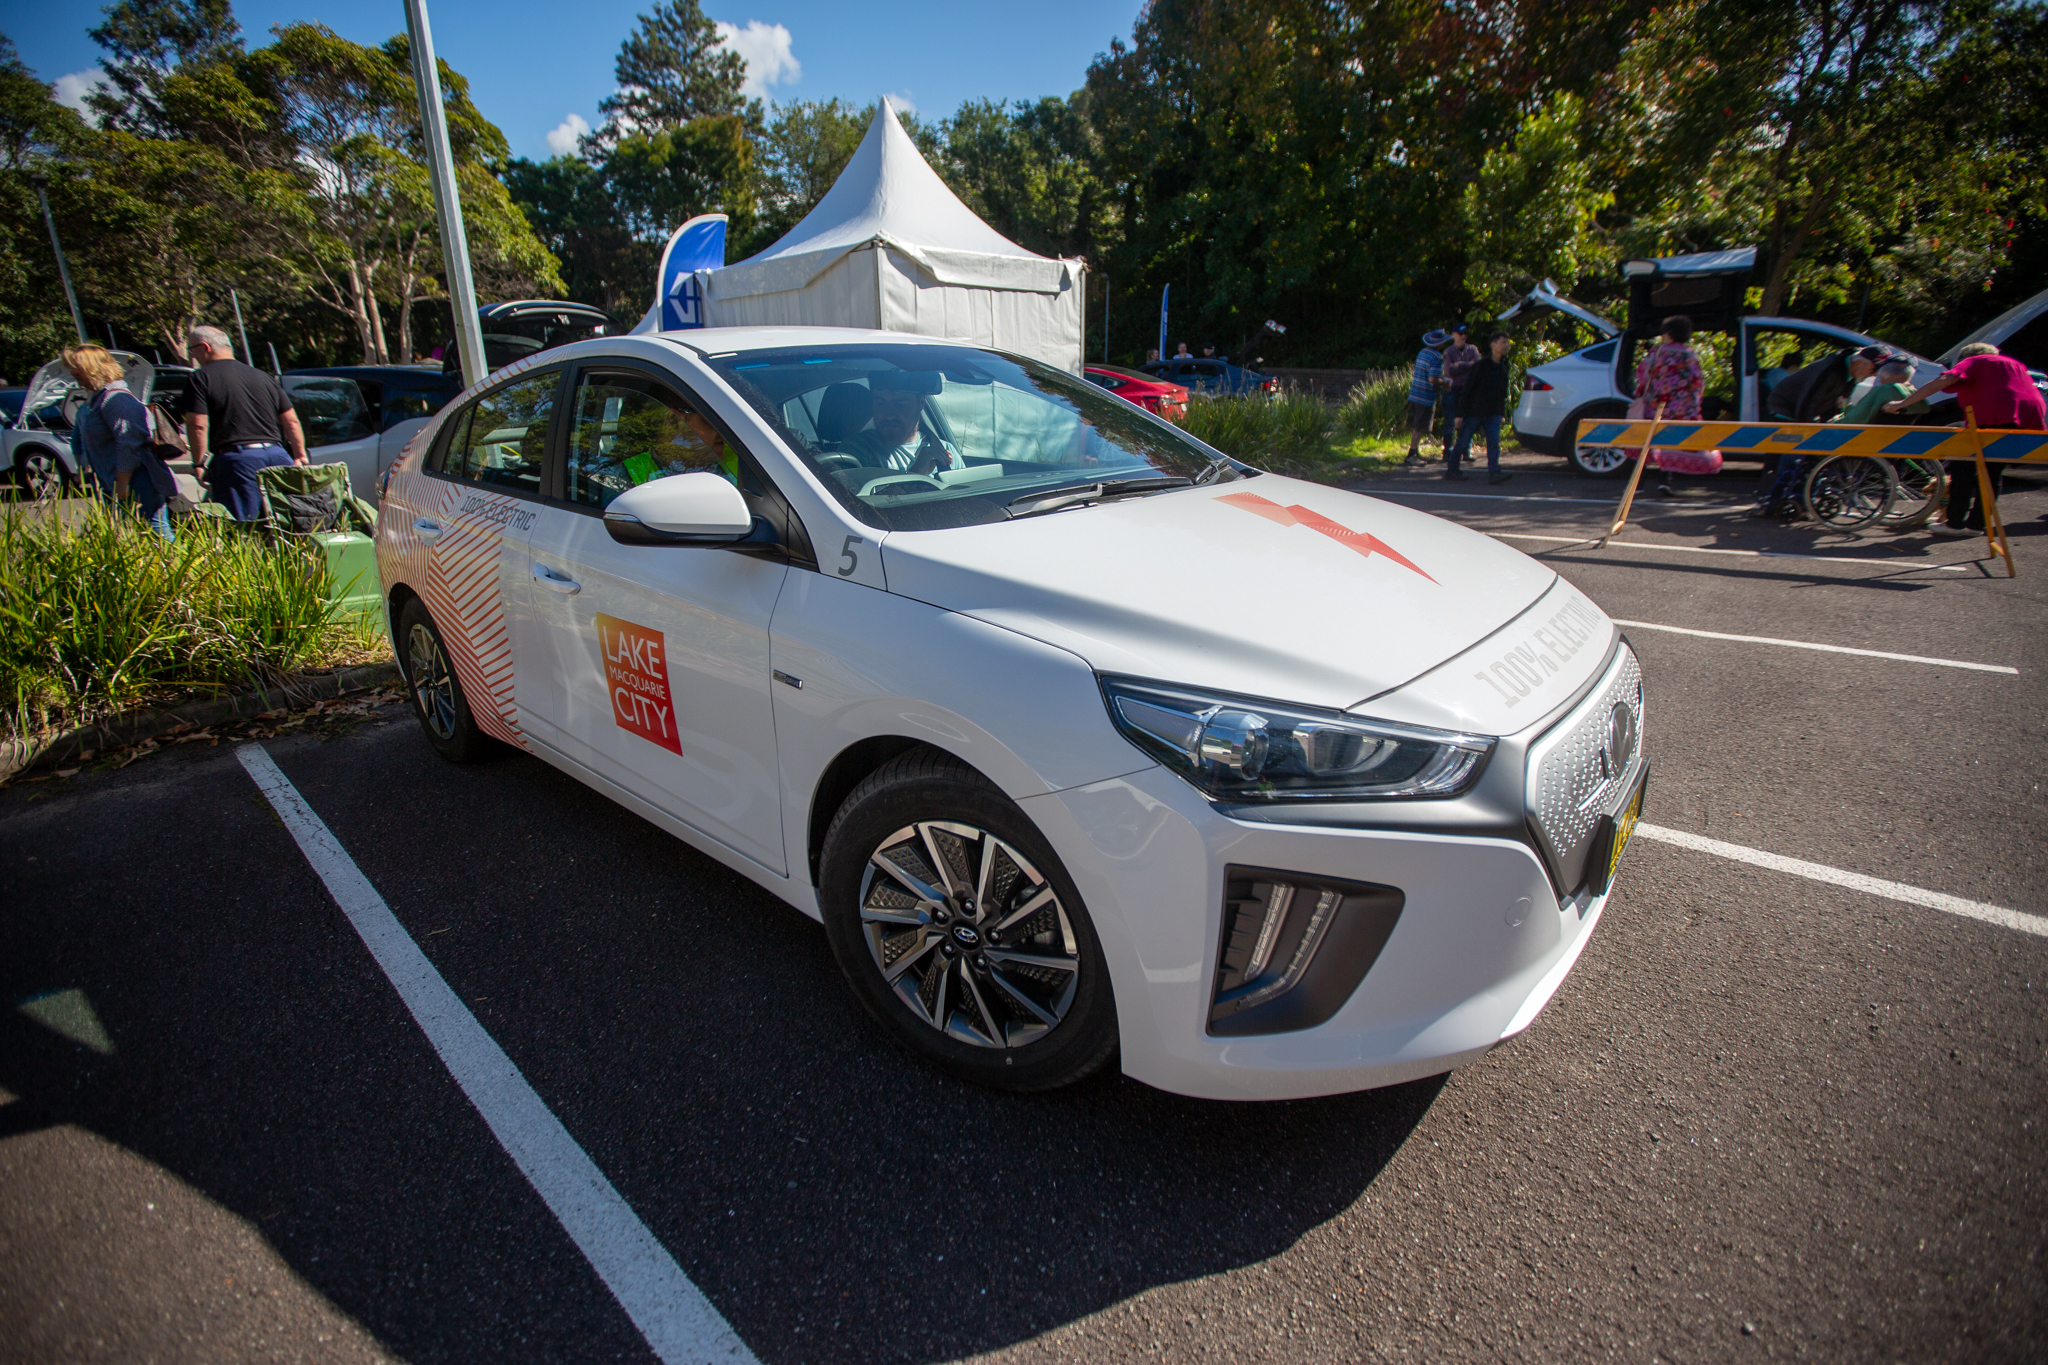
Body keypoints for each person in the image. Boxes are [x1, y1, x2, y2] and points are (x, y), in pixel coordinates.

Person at [1885, 342, 2047, 536]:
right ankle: (1977, 524)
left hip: (1994, 415)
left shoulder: (1975, 360)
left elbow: (1945, 380)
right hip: (2024, 417)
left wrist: (1902, 403)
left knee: (1963, 467)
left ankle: (1954, 523)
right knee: (1992, 473)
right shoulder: (2013, 364)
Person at [181, 324, 308, 521]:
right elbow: (291, 420)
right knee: (289, 523)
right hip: (278, 456)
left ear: (205, 347)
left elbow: (197, 424)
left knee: (244, 529)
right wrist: (299, 455)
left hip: (238, 462)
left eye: (192, 350)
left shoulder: (200, 378)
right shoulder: (263, 376)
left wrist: (199, 463)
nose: (193, 356)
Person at [63, 343, 176, 539]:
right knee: (130, 535)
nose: (73, 373)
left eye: (77, 368)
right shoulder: (94, 402)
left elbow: (129, 442)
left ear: (94, 368)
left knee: (155, 531)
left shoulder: (117, 400)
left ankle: (173, 567)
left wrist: (122, 483)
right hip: (114, 481)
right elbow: (80, 440)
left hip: (135, 479)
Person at [1633, 315, 1707, 497]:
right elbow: (1698, 381)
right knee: (1670, 442)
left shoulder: (1658, 352)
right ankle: (1665, 481)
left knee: (1648, 441)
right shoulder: (1689, 354)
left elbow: (1643, 374)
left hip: (1656, 402)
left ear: (1668, 333)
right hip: (1681, 407)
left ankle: (1638, 483)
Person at [846, 374, 961, 473]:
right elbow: (858, 499)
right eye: (880, 403)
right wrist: (917, 473)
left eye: (900, 404)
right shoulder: (857, 450)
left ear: (921, 403)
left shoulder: (944, 451)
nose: (889, 414)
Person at [1449, 331, 1514, 483]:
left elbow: (1503, 389)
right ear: (1493, 344)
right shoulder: (1481, 365)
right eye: (1503, 342)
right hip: (1475, 411)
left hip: (1493, 411)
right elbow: (1468, 389)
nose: (1506, 346)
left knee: (1493, 442)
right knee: (1463, 441)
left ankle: (1494, 472)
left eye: (1507, 342)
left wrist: (1501, 410)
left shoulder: (1505, 364)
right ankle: (1452, 469)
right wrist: (1460, 414)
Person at [1767, 344, 1884, 422]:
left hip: (1803, 409)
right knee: (1786, 449)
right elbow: (1807, 402)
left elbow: (1839, 404)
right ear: (1859, 363)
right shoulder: (1829, 370)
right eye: (1874, 370)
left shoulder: (1854, 374)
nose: (1874, 375)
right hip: (1785, 405)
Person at [1404, 328, 1451, 466]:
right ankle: (1411, 454)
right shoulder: (1436, 357)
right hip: (1425, 396)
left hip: (1415, 394)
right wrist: (1445, 382)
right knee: (1420, 427)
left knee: (1418, 425)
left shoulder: (1423, 353)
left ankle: (1415, 452)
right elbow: (1433, 379)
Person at [1831, 356, 1923, 426]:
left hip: (1865, 440)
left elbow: (1856, 419)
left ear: (1884, 372)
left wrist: (1831, 424)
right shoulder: (1916, 395)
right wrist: (1848, 407)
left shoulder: (1883, 390)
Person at [1438, 322, 1478, 456]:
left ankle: (1466, 451)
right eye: (1460, 333)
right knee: (1450, 422)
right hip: (1452, 390)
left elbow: (1478, 366)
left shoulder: (1472, 349)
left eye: (1465, 333)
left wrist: (1460, 364)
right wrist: (1469, 366)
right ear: (1454, 335)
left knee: (1468, 422)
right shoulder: (1448, 351)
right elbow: (1450, 371)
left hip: (1468, 391)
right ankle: (1448, 452)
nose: (1463, 336)